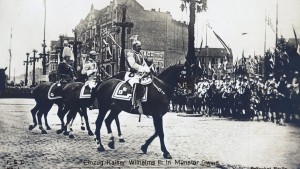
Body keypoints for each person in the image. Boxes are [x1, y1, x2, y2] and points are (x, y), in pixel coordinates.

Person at [126, 40, 150, 114]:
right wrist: (142, 68)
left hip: (140, 74)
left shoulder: (140, 54)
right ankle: (133, 105)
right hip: (132, 74)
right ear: (134, 46)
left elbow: (144, 64)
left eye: (140, 46)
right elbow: (132, 64)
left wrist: (147, 68)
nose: (140, 48)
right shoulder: (130, 54)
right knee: (136, 85)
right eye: (138, 46)